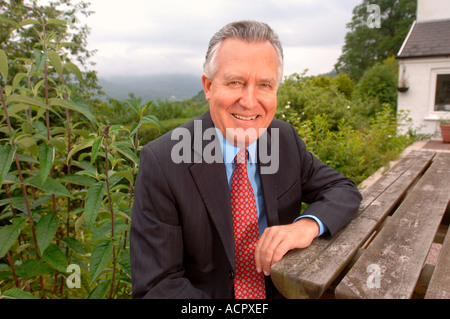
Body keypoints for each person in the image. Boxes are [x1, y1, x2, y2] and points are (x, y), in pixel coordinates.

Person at [130, 20, 362, 299]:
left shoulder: (283, 138)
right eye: (235, 82)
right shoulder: (164, 161)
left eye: (264, 84)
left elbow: (343, 189)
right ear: (208, 86)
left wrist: (306, 226)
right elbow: (156, 285)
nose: (250, 102)